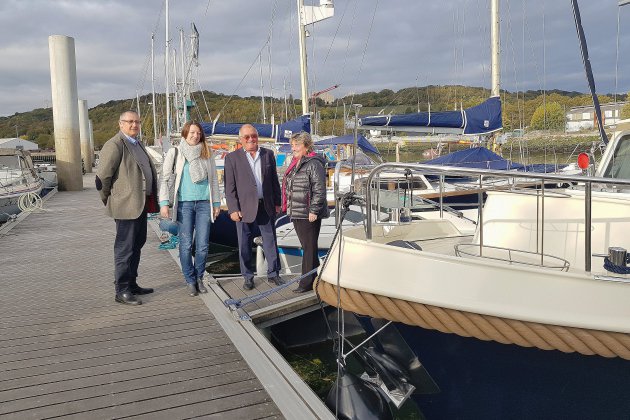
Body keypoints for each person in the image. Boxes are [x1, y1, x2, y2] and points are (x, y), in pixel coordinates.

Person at [96, 111, 158, 305]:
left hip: (140, 205)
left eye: (137, 122)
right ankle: (121, 290)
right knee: (124, 249)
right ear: (120, 124)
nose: (134, 125)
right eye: (130, 122)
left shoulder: (137, 143)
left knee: (137, 245)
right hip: (126, 206)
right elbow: (102, 178)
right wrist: (109, 199)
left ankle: (132, 283)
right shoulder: (114, 145)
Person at [158, 121, 221, 296]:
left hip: (204, 204)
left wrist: (216, 203)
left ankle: (199, 277)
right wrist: (164, 203)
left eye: (198, 133)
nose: (195, 136)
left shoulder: (207, 153)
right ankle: (190, 279)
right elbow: (164, 178)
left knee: (202, 245)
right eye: (192, 132)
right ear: (185, 134)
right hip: (184, 205)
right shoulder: (175, 152)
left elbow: (214, 180)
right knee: (185, 245)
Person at [224, 124, 284, 290]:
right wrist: (233, 209)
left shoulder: (268, 154)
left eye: (254, 136)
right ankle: (248, 277)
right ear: (241, 140)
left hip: (266, 205)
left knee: (270, 240)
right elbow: (229, 187)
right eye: (247, 137)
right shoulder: (232, 158)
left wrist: (278, 202)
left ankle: (274, 274)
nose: (251, 139)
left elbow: (274, 181)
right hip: (243, 208)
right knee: (244, 243)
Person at [282, 132, 329, 293]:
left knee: (309, 248)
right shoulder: (298, 162)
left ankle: (306, 283)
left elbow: (319, 189)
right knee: (307, 247)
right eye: (292, 145)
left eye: (296, 145)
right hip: (297, 211)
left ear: (307, 146)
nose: (293, 148)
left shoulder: (314, 163)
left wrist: (314, 210)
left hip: (308, 212)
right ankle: (315, 278)